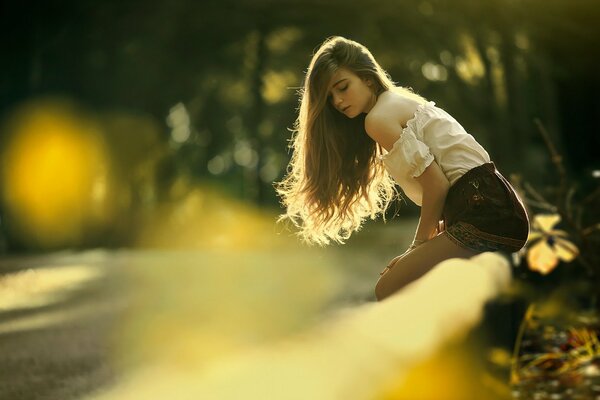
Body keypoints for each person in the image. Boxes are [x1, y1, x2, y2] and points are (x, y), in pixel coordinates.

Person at [274, 36, 530, 301]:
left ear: (368, 79)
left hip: (485, 210)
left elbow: (437, 185)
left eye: (342, 87)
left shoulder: (378, 119)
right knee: (422, 286)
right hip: (494, 204)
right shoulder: (398, 102)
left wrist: (416, 247)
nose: (338, 101)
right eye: (330, 97)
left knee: (389, 287)